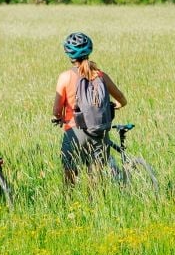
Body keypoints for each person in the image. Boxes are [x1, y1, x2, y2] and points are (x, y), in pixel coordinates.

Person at [53, 31, 127, 184]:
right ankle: (94, 199)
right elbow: (122, 99)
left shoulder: (65, 77)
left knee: (69, 178)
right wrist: (117, 105)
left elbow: (56, 111)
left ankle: (69, 198)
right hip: (100, 132)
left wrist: (59, 117)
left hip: (74, 132)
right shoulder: (100, 75)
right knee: (95, 181)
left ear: (69, 55)